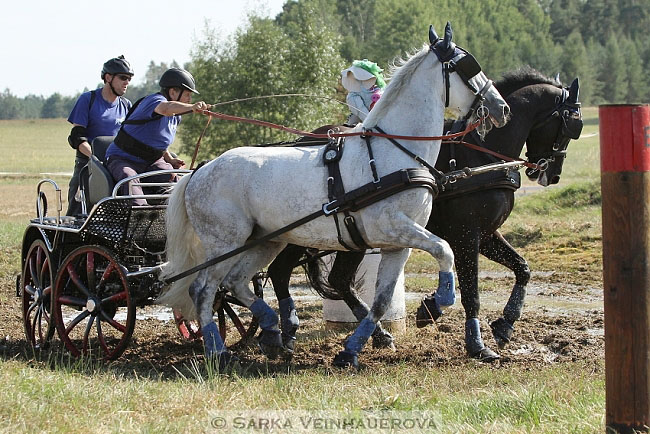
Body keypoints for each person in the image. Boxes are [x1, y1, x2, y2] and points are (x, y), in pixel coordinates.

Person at [104, 67, 210, 205]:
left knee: (176, 181)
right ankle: (141, 216)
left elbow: (157, 141)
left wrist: (169, 159)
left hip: (151, 162)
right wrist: (191, 107)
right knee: (129, 179)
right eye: (188, 94)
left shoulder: (176, 116)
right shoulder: (154, 101)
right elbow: (165, 108)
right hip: (122, 159)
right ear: (173, 92)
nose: (190, 99)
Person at [66, 55, 134, 215]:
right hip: (88, 165)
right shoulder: (87, 99)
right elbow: (77, 137)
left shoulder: (126, 105)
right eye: (123, 77)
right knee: (78, 215)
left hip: (115, 164)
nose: (127, 82)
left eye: (129, 79)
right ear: (108, 77)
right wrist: (95, 159)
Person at [340, 59, 386, 125]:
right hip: (365, 121)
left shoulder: (379, 90)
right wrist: (372, 124)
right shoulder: (352, 96)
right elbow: (362, 112)